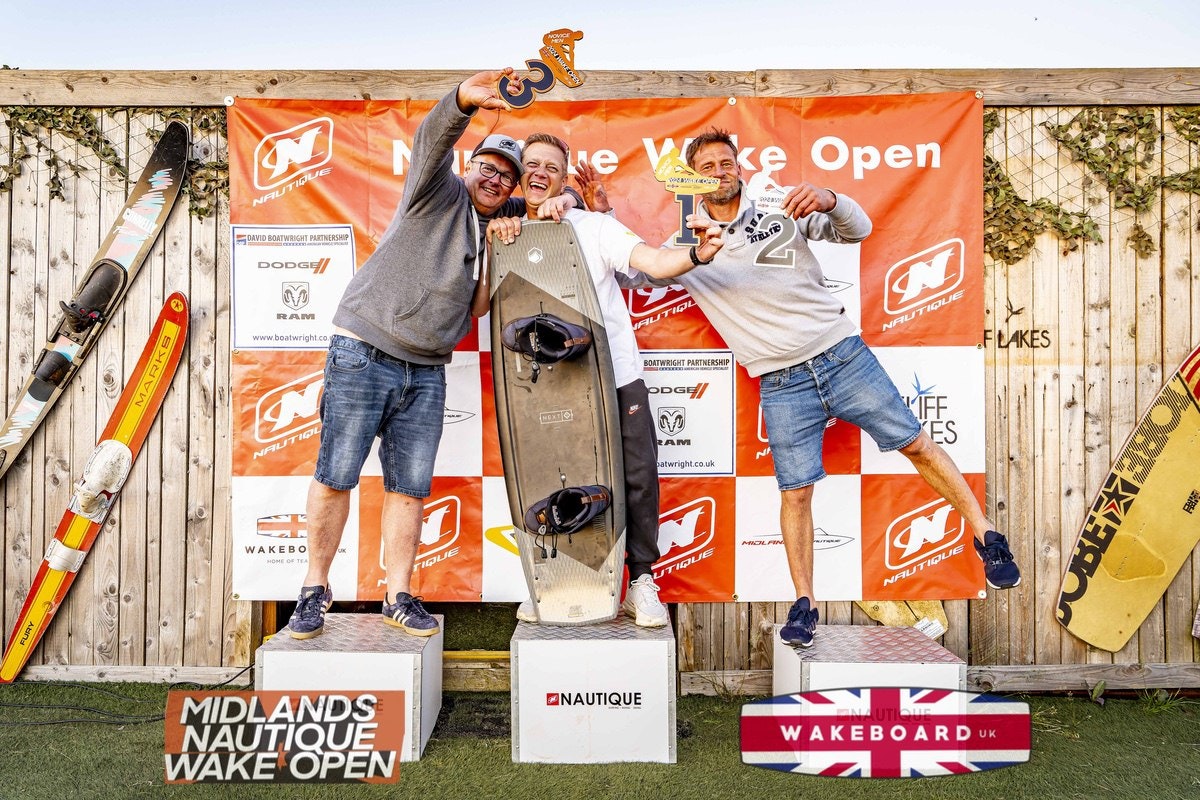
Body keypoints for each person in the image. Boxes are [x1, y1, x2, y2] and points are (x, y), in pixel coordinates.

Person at [582, 128, 1019, 647]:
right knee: (796, 493)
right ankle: (804, 605)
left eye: (727, 162)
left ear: (740, 168)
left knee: (917, 444)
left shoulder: (779, 210)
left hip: (843, 355)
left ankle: (986, 535)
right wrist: (603, 217)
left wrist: (831, 199)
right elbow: (627, 273)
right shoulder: (688, 251)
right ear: (691, 180)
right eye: (708, 167)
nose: (720, 172)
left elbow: (858, 229)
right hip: (781, 382)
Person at [286, 70, 577, 641]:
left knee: (410, 487)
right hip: (364, 350)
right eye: (488, 167)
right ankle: (313, 590)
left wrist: (564, 196)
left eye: (508, 176)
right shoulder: (436, 190)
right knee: (336, 475)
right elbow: (431, 139)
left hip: (427, 367)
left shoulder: (498, 223)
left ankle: (398, 594)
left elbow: (557, 202)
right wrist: (463, 99)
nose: (496, 179)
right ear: (469, 167)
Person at [481, 132, 724, 626]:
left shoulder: (593, 227)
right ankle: (549, 583)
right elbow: (482, 305)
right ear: (520, 174)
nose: (541, 173)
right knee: (548, 477)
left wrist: (697, 254)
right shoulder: (503, 231)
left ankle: (641, 581)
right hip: (543, 387)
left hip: (617, 375)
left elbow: (654, 262)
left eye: (552, 167)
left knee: (637, 478)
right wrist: (493, 245)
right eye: (533, 164)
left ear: (562, 179)